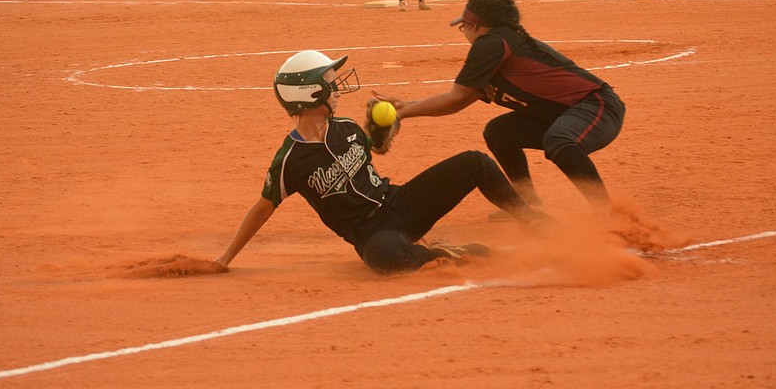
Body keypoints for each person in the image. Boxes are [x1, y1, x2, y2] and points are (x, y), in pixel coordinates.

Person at [214, 50, 539, 274]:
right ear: (310, 93)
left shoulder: (346, 128)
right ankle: (450, 253)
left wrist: (383, 129)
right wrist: (224, 259)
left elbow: (375, 148)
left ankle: (535, 222)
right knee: (387, 258)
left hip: (399, 203)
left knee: (475, 163)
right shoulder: (290, 160)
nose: (337, 90)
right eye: (331, 84)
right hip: (371, 235)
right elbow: (262, 209)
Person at [373, 0, 625, 220]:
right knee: (500, 132)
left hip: (597, 106)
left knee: (559, 140)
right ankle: (527, 202)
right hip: (563, 113)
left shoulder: (492, 43)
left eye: (464, 26)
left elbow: (455, 98)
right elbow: (461, 99)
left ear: (475, 25)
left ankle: (608, 215)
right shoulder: (499, 44)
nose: (464, 32)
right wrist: (406, 105)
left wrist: (403, 112)